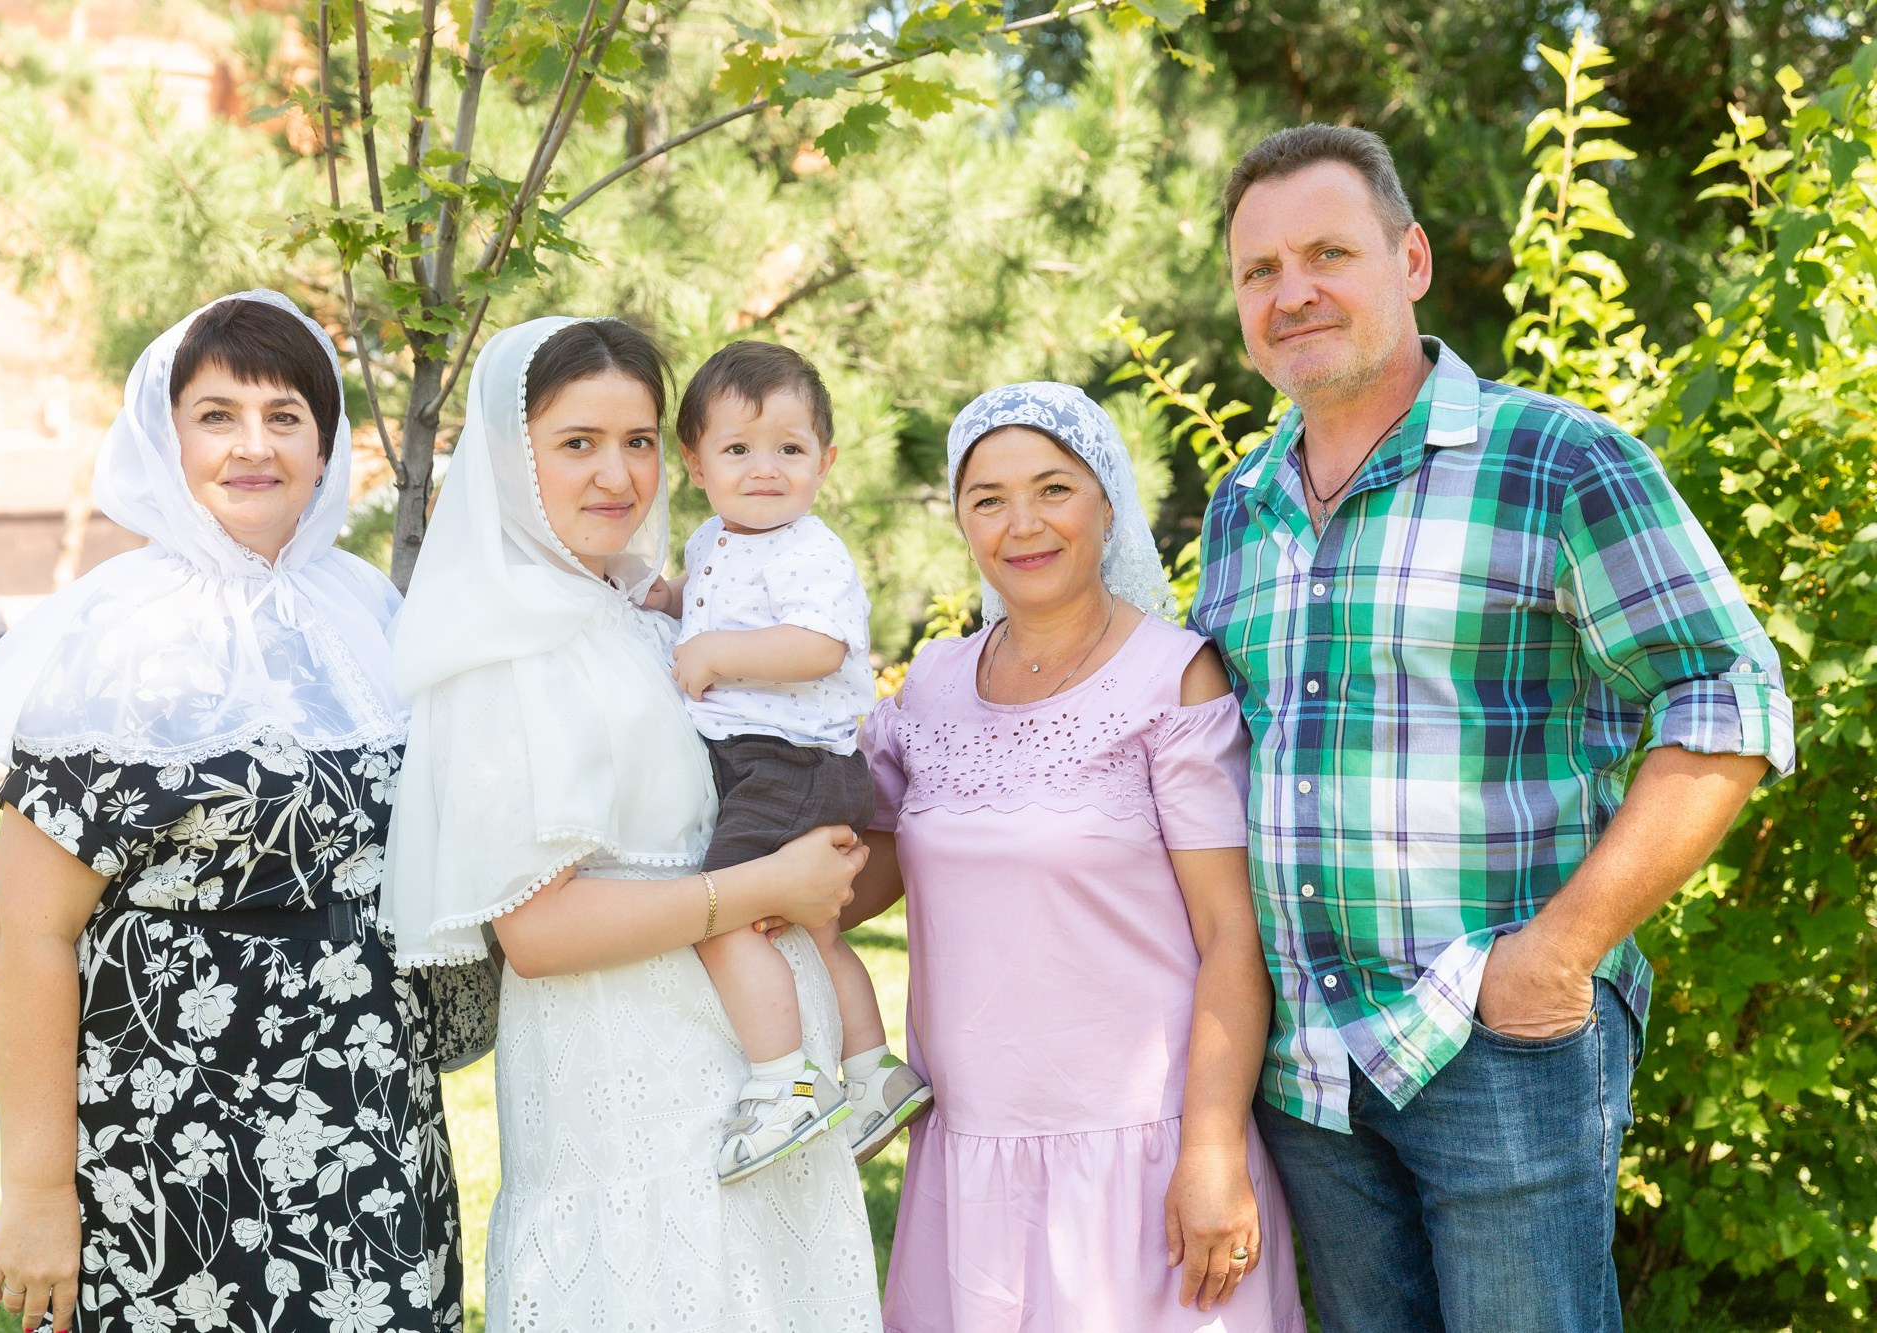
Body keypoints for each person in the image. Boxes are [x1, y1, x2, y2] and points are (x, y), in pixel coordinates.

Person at [1190, 124, 1797, 1332]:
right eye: (1259, 270)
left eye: (1327, 252)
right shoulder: (1239, 507)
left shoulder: (1556, 460)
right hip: (1308, 1072)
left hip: (1496, 1039)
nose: (1291, 290)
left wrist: (1560, 951)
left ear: (1409, 260)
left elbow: (1727, 696)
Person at [0, 291, 462, 1333]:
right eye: (217, 414)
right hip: (164, 1127)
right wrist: (40, 1192)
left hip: (364, 1114)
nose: (253, 445)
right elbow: (31, 933)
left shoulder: (368, 611)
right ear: (168, 436)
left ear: (324, 448)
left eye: (286, 415)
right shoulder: (118, 636)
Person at [378, 316, 883, 1331]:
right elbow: (536, 930)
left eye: (640, 440)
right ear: (513, 461)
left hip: (765, 1100)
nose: (617, 473)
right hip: (635, 1107)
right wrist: (760, 891)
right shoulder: (504, 654)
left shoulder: (654, 620)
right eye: (577, 443)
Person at [847, 382, 1304, 1332]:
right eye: (988, 498)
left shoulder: (1174, 675)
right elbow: (855, 884)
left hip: (1145, 1161)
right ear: (962, 520)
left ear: (1108, 501)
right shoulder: (929, 685)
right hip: (969, 1157)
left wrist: (1213, 1146)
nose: (1024, 524)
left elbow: (1231, 932)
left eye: (1054, 488)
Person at [642, 340, 932, 1183]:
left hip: (789, 759)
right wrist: (668, 603)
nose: (764, 469)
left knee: (722, 916)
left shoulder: (809, 549)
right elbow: (701, 597)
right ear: (695, 461)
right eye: (737, 449)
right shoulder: (710, 540)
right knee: (816, 926)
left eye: (790, 449)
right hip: (765, 760)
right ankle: (875, 1071)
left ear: (826, 461)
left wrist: (716, 651)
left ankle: (784, 1084)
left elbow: (816, 646)